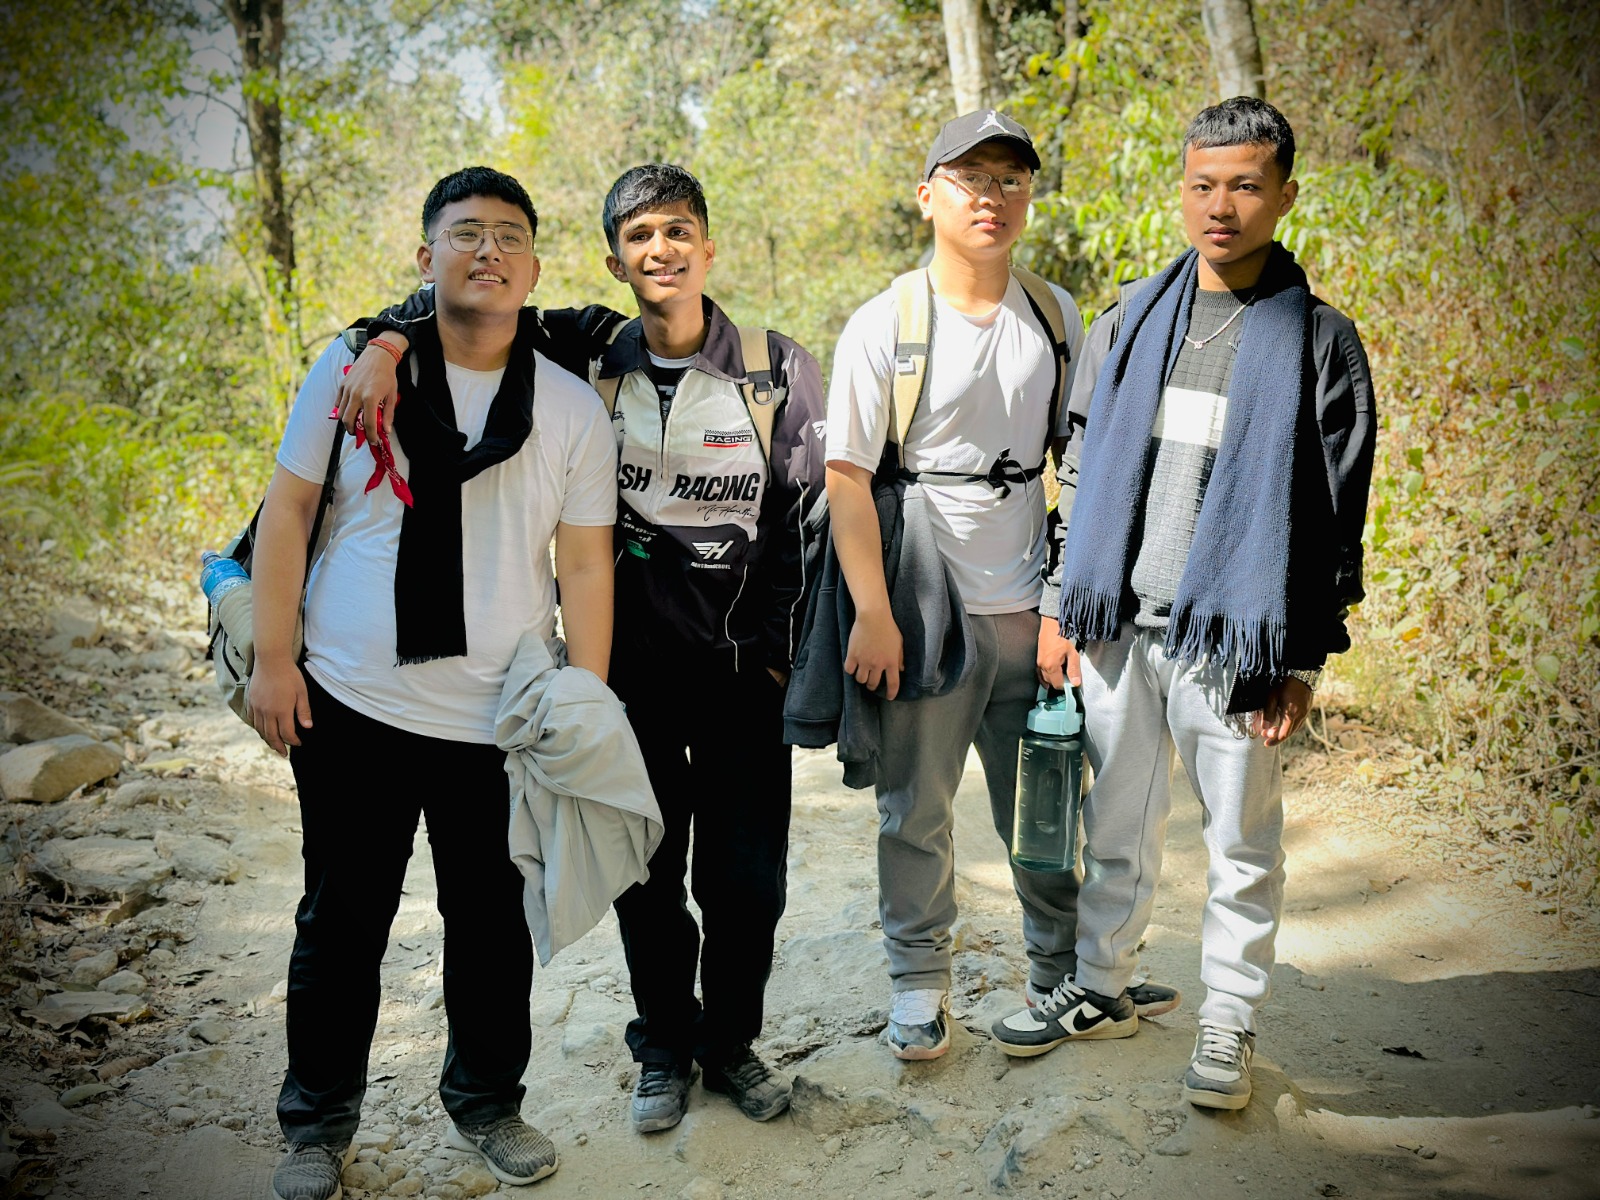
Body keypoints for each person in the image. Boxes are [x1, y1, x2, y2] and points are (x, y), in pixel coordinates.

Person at [337, 164, 827, 1133]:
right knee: (645, 877)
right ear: (614, 261)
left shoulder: (775, 368)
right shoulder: (584, 347)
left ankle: (731, 1044)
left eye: (677, 231)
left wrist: (779, 656)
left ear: (707, 247)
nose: (661, 250)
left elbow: (806, 521)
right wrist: (385, 339)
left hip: (742, 681)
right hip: (631, 679)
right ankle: (664, 1049)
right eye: (639, 236)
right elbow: (468, 301)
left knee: (745, 887)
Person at [990, 98, 1377, 1111]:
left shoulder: (1318, 341)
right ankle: (1101, 988)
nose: (1221, 206)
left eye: (1246, 185)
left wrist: (1302, 659)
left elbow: (1337, 517)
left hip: (1234, 641)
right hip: (1118, 626)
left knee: (1240, 843)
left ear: (1285, 196)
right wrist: (1058, 606)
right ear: (1181, 189)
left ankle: (1228, 1019)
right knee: (1113, 827)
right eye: (1203, 184)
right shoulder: (1130, 322)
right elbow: (1080, 472)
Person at [250, 166, 617, 1200]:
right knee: (341, 921)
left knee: (492, 928)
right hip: (352, 700)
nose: (488, 250)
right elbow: (287, 512)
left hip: (499, 719)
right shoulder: (353, 370)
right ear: (426, 258)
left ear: (533, 270)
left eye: (509, 236)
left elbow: (585, 565)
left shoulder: (568, 406)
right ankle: (316, 1124)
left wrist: (582, 701)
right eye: (465, 233)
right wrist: (273, 659)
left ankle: (488, 1104)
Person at [822, 110, 1179, 1062]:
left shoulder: (1055, 317)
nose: (992, 196)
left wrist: (1064, 607)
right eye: (970, 178)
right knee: (916, 811)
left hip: (1030, 614)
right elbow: (847, 477)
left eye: (1011, 179)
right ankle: (917, 985)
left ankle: (1060, 971)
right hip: (923, 609)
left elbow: (1085, 469)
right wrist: (872, 613)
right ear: (927, 195)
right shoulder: (886, 323)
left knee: (1046, 805)